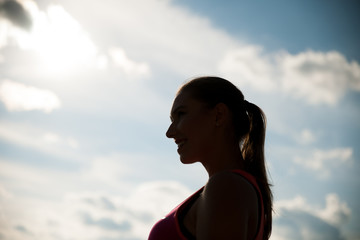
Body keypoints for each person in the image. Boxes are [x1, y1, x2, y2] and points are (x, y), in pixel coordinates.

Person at [148, 76, 273, 240]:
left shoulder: (226, 186)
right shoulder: (228, 186)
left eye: (181, 114)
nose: (169, 132)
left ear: (219, 115)